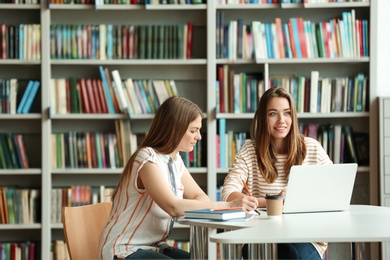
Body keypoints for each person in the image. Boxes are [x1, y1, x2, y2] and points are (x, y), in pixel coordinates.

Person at [98, 96, 258, 260]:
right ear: (174, 128)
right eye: (193, 130)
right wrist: (228, 205)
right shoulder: (147, 158)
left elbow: (200, 196)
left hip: (154, 248)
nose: (199, 137)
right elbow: (173, 206)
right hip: (125, 251)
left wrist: (191, 205)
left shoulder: (175, 161)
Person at [222, 87, 333, 260]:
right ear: (262, 118)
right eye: (273, 113)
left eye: (287, 113)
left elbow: (334, 189)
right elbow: (228, 193)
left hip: (306, 237)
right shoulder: (250, 151)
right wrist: (274, 202)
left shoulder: (311, 148)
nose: (281, 120)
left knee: (292, 255)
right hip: (259, 236)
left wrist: (299, 200)